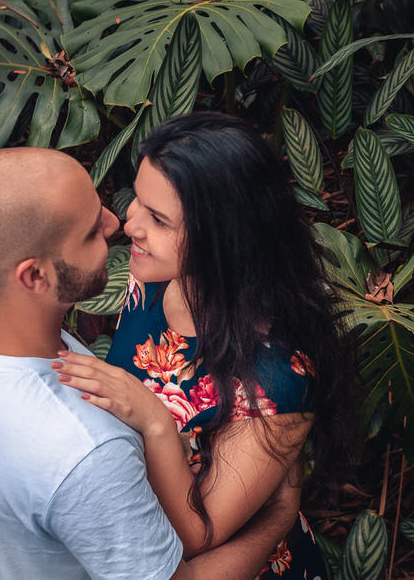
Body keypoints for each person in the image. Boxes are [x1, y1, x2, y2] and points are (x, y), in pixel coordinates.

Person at [0, 147, 302, 580]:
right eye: (92, 232)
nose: (118, 225)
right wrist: (276, 520)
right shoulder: (87, 453)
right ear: (34, 276)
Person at [50, 112, 355, 578]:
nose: (129, 222)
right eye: (138, 200)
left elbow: (199, 535)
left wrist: (153, 418)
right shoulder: (152, 276)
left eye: (158, 218)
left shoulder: (278, 378)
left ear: (225, 237)